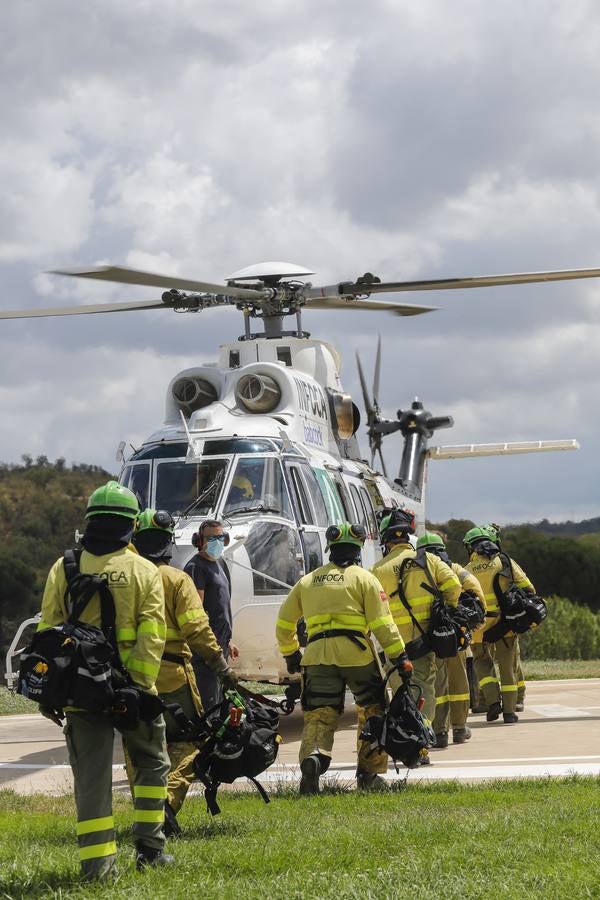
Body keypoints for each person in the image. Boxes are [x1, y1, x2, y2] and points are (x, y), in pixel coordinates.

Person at [36, 481, 172, 880]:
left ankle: (97, 869)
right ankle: (151, 848)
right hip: (134, 688)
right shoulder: (144, 570)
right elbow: (152, 631)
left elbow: (48, 631)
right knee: (151, 765)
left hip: (81, 691)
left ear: (89, 522)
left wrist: (51, 689)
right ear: (131, 525)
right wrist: (140, 685)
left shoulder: (64, 567)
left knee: (92, 779)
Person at [276, 522, 411, 794]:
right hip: (357, 656)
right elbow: (382, 623)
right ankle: (369, 775)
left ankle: (313, 759)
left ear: (330, 549)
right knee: (373, 711)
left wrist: (290, 653)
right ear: (358, 549)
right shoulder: (365, 579)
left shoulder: (308, 580)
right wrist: (400, 656)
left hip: (316, 656)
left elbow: (284, 622)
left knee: (318, 714)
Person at [132, 509, 239, 836]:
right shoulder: (179, 578)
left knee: (139, 749)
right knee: (194, 741)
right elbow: (197, 626)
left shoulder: (124, 577)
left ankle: (146, 817)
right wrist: (220, 664)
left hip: (130, 678)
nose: (218, 544)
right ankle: (166, 803)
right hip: (173, 674)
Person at [370, 510, 461, 763]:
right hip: (424, 643)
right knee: (423, 693)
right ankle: (421, 745)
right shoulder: (429, 560)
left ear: (387, 540)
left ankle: (407, 745)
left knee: (400, 696)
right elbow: (454, 586)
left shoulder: (377, 569)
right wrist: (446, 611)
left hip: (394, 648)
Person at [416, 532, 486, 748]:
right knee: (459, 681)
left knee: (436, 683)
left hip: (429, 637)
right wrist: (477, 616)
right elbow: (474, 588)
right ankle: (459, 728)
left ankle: (439, 732)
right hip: (455, 634)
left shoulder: (416, 571)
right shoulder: (455, 568)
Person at [464, 525, 536, 724]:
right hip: (506, 624)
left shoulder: (466, 570)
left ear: (471, 548)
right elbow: (528, 588)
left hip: (479, 627)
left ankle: (493, 702)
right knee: (507, 667)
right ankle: (510, 712)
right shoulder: (504, 561)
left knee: (482, 663)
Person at [184, 519, 240, 710]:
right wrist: (212, 642)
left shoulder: (220, 564)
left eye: (220, 537)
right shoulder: (195, 568)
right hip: (207, 649)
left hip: (221, 643)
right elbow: (196, 611)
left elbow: (221, 606)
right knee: (209, 703)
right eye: (211, 538)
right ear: (199, 540)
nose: (217, 541)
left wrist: (228, 639)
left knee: (219, 699)